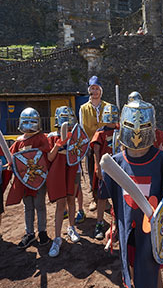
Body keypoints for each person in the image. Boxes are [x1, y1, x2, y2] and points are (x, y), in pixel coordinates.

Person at [101, 99, 163, 288]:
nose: (137, 131)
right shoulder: (116, 164)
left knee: (152, 273)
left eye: (143, 126)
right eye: (131, 125)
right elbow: (118, 203)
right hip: (128, 230)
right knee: (130, 270)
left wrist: (162, 231)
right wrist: (113, 227)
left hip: (151, 235)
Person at [7, 108, 51, 248]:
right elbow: (12, 159)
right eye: (27, 122)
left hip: (38, 179)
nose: (30, 125)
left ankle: (42, 232)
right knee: (28, 207)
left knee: (40, 206)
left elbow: (46, 155)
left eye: (32, 122)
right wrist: (10, 165)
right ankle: (30, 233)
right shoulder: (18, 141)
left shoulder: (41, 138)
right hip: (25, 180)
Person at [46, 106, 81, 257]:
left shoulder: (76, 134)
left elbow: (80, 152)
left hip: (74, 170)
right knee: (61, 204)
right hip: (59, 173)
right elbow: (49, 158)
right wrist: (58, 145)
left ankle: (71, 227)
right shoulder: (52, 136)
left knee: (71, 200)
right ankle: (57, 237)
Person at [78, 75, 111, 214]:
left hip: (106, 145)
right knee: (92, 171)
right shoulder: (83, 108)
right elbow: (81, 127)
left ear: (101, 91)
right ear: (89, 90)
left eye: (97, 88)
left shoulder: (108, 107)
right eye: (93, 88)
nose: (95, 91)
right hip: (91, 145)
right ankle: (94, 197)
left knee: (107, 171)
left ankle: (106, 198)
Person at [90, 104, 119, 240]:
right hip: (105, 168)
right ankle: (99, 224)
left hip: (119, 169)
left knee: (117, 198)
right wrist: (98, 167)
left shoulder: (121, 130)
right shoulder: (100, 133)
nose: (111, 120)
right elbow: (96, 151)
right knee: (102, 198)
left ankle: (116, 225)